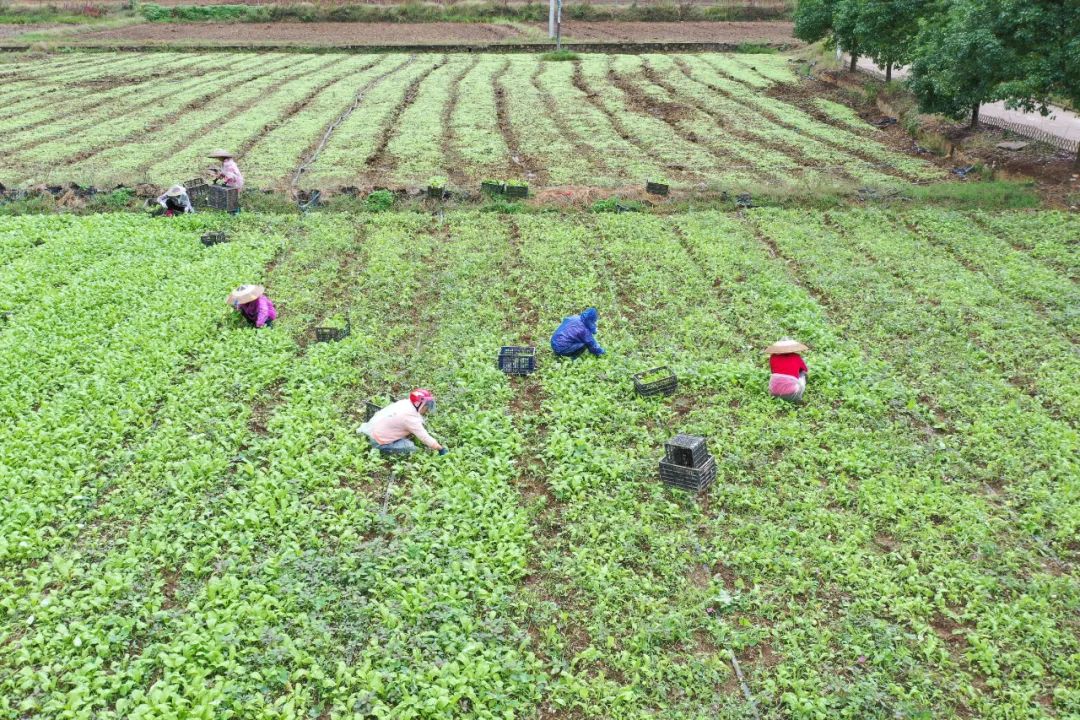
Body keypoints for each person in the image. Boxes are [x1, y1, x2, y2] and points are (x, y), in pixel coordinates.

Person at [358, 389, 448, 456]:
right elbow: (424, 437)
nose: (427, 409)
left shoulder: (405, 403)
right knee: (412, 448)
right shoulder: (410, 418)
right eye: (426, 406)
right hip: (379, 441)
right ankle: (383, 449)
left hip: (374, 430)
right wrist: (440, 448)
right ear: (419, 404)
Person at [766, 338, 808, 403]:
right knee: (803, 373)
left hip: (774, 393)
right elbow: (805, 369)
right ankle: (799, 395)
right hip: (792, 394)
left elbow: (773, 371)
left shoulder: (773, 357)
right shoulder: (796, 356)